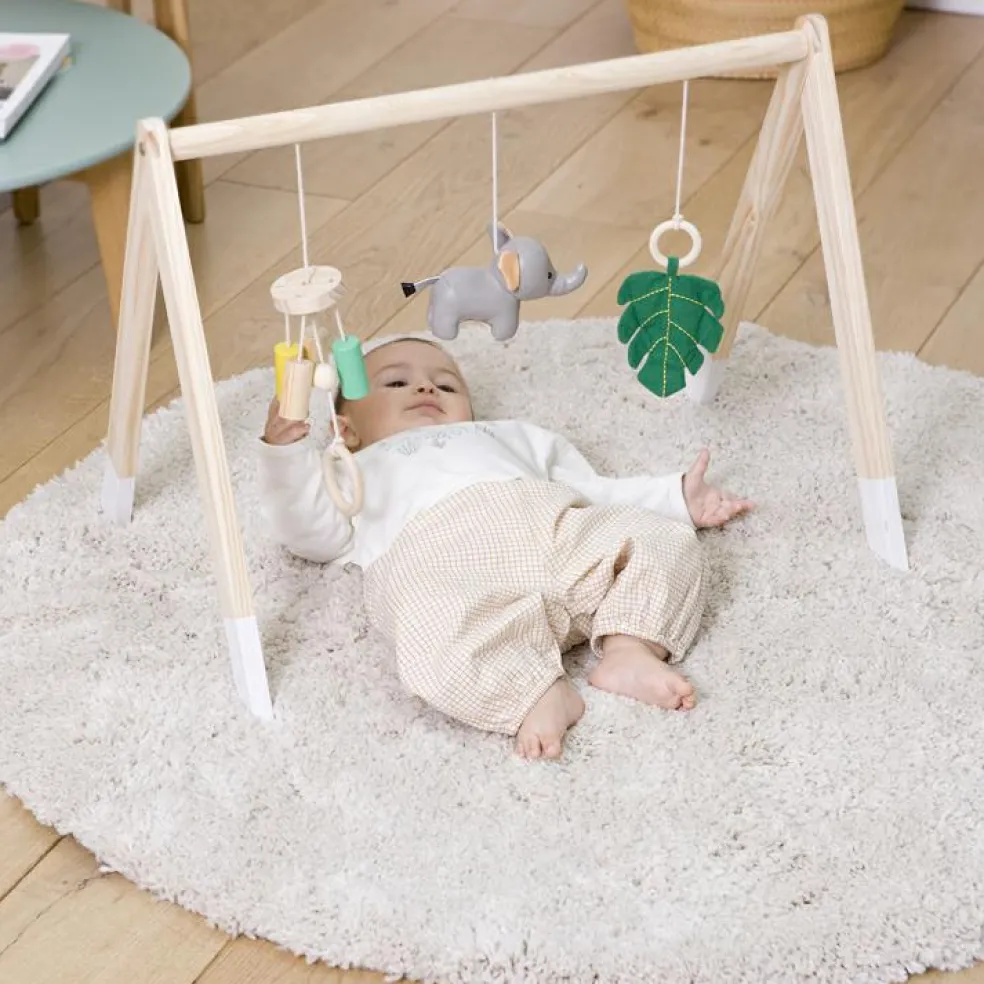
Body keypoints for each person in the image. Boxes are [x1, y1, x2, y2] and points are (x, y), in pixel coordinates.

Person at [258, 335, 752, 759]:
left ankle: (630, 648)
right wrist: (284, 454)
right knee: (427, 644)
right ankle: (534, 691)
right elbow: (306, 530)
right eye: (396, 382)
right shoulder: (348, 467)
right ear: (345, 428)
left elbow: (593, 490)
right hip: (450, 579)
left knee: (661, 538)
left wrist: (675, 498)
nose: (426, 388)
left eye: (446, 385)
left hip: (552, 536)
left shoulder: (507, 436)